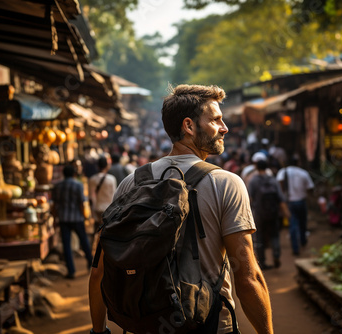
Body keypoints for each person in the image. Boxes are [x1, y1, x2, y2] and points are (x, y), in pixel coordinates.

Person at [89, 84, 273, 334]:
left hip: (146, 325)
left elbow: (100, 271)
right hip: (210, 325)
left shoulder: (131, 183)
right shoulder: (226, 183)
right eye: (216, 120)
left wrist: (98, 331)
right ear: (188, 126)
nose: (224, 128)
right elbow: (248, 277)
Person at [52, 164, 93, 279]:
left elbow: (55, 205)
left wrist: (55, 219)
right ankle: (91, 264)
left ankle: (71, 271)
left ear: (63, 174)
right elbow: (81, 203)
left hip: (64, 219)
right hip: (77, 218)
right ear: (74, 174)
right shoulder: (78, 185)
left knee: (66, 245)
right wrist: (85, 216)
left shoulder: (58, 186)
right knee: (84, 241)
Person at [248, 159, 290, 270]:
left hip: (259, 214)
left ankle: (262, 262)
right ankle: (276, 255)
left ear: (257, 167)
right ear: (267, 167)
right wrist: (286, 212)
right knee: (274, 235)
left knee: (260, 237)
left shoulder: (253, 181)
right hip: (273, 213)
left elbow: (249, 199)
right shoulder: (273, 180)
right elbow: (280, 199)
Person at [276, 155, 314, 256]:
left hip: (290, 202)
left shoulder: (283, 172)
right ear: (298, 163)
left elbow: (279, 186)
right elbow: (310, 188)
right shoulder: (303, 173)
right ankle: (303, 241)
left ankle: (295, 248)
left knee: (293, 225)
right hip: (301, 201)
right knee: (302, 223)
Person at [88, 155, 117, 252]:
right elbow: (114, 195)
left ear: (98, 166)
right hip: (109, 209)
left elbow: (91, 197)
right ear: (107, 166)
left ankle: (94, 250)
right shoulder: (111, 179)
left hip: (97, 208)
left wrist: (92, 212)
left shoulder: (92, 179)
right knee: (107, 231)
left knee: (96, 230)